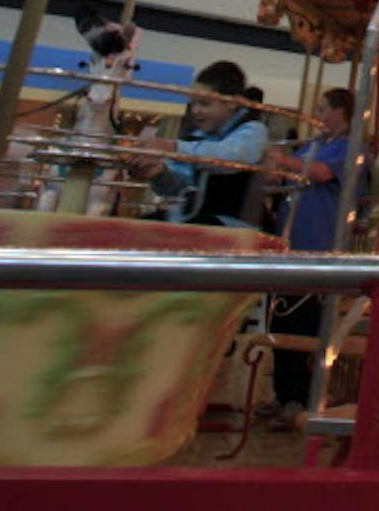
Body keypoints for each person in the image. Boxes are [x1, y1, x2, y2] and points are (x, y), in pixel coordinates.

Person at [263, 87, 354, 419]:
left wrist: (283, 160)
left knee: (305, 323)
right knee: (280, 317)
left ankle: (302, 397)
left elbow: (321, 173)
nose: (319, 114)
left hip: (318, 245)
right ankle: (283, 392)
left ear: (340, 112)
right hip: (292, 242)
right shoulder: (316, 144)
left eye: (323, 108)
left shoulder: (347, 148)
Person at [129, 60, 269, 225]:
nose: (196, 110)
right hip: (194, 218)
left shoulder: (253, 130)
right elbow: (181, 189)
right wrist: (159, 174)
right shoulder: (196, 138)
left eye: (205, 103)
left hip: (234, 224)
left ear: (232, 102)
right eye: (192, 103)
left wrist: (173, 147)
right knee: (139, 225)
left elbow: (231, 157)